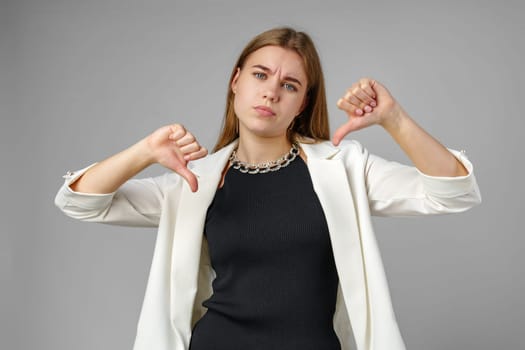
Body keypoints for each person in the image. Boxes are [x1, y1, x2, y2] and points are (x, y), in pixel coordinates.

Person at [55, 27, 481, 350]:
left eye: (289, 85)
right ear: (236, 81)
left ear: (302, 104)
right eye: (261, 75)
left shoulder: (342, 168)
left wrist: (394, 119)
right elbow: (81, 202)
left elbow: (453, 191)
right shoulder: (193, 180)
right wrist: (145, 151)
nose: (271, 92)